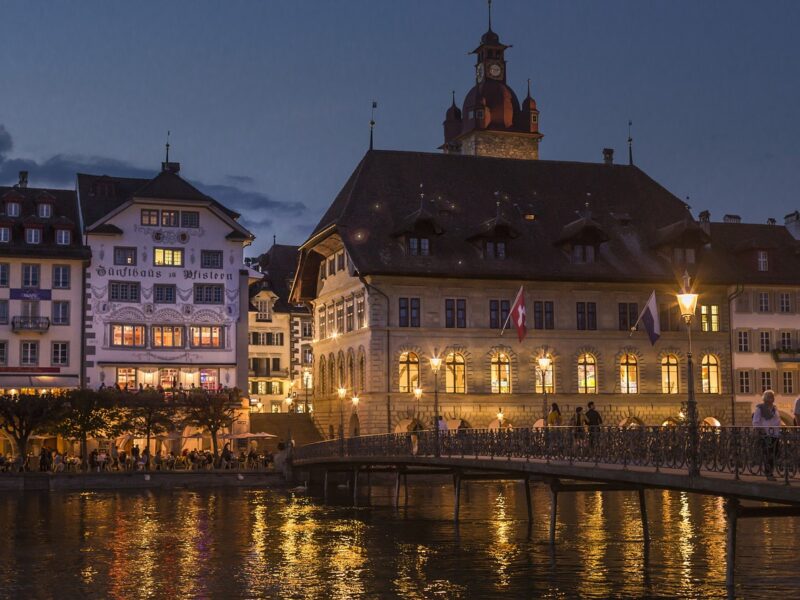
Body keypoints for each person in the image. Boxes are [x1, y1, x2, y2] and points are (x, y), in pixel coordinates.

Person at [752, 389, 782, 481]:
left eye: (772, 396)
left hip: (775, 434)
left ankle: (770, 472)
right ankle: (769, 474)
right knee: (768, 454)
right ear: (765, 398)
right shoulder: (760, 408)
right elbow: (755, 422)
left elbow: (778, 420)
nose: (772, 398)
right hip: (766, 435)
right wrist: (761, 430)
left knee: (775, 453)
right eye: (770, 397)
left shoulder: (774, 408)